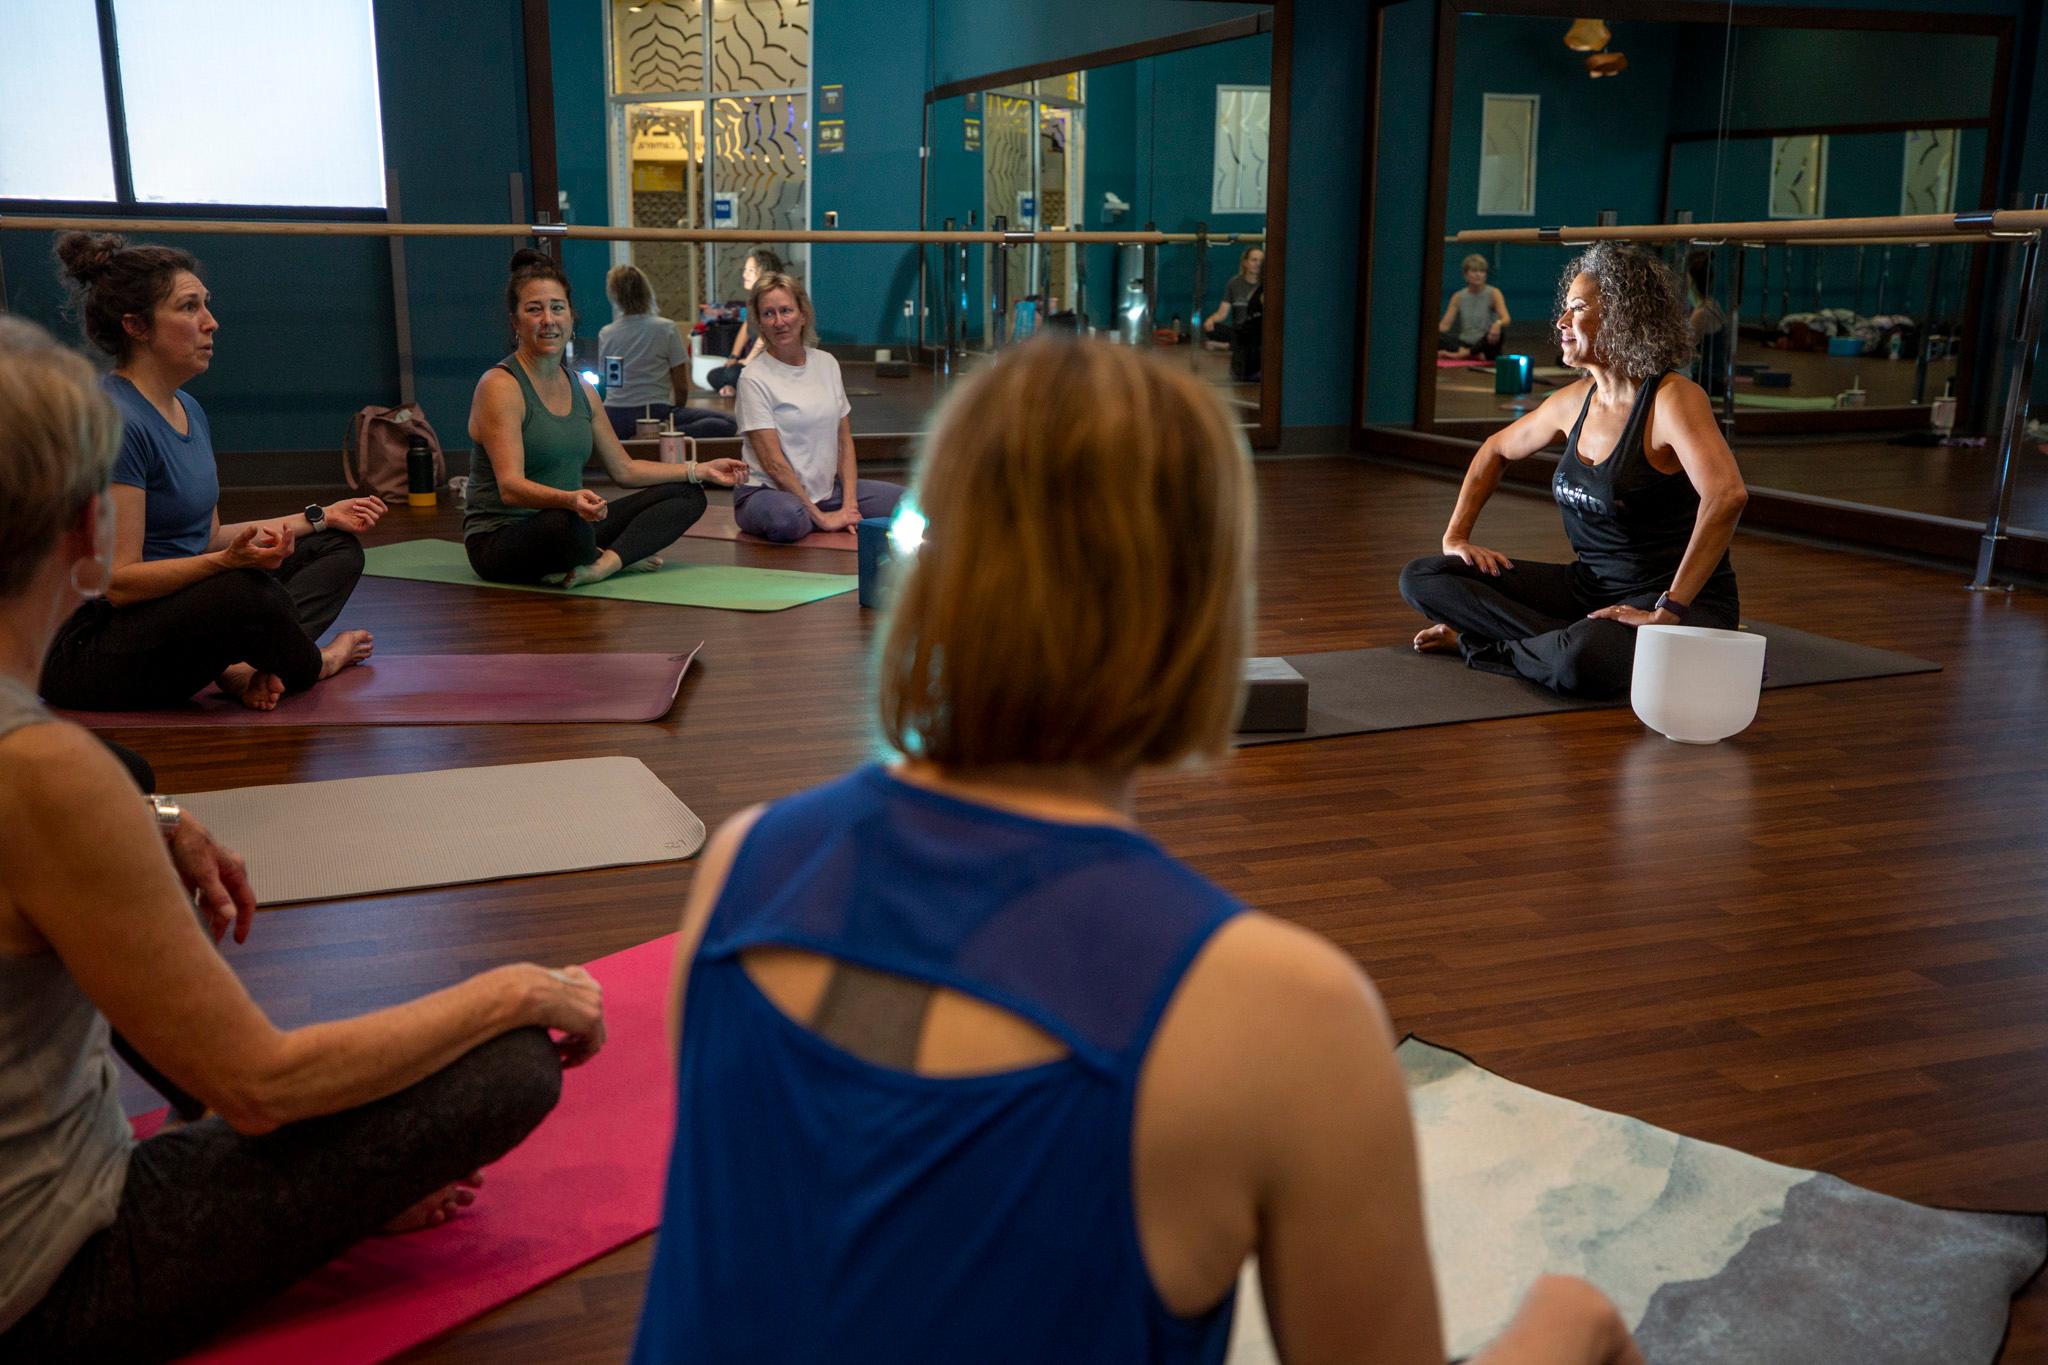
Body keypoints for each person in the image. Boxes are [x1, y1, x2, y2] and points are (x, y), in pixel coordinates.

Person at [629, 337, 1642, 1365]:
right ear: (1196, 615)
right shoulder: (1282, 1015)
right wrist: (1574, 1326)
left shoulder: (742, 869)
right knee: (1572, 1320)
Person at [0, 315, 608, 1361]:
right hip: (52, 1285)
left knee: (135, 786)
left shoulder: (55, 778)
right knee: (512, 1067)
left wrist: (143, 818)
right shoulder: (45, 775)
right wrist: (520, 988)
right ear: (85, 530)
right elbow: (263, 1087)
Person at [38, 233, 384, 713]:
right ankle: (312, 663)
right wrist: (228, 566)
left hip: (170, 617)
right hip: (88, 655)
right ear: (137, 326)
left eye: (206, 305)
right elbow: (117, 583)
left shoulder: (189, 409)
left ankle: (243, 667)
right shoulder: (114, 421)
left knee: (333, 548)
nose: (211, 323)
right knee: (245, 591)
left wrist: (320, 517)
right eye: (189, 307)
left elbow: (210, 536)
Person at [1401, 243, 1749, 699]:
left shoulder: (1671, 398)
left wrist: (1670, 608)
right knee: (1426, 577)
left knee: (1581, 660)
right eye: (1564, 309)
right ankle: (1551, 640)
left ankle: (1487, 642)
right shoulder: (1573, 401)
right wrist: (1456, 538)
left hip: (1675, 601)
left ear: (1625, 318)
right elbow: (1494, 451)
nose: (1561, 322)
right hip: (1590, 590)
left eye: (1578, 308)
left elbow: (1727, 495)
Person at [465, 250, 748, 588]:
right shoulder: (500, 386)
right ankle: (609, 554)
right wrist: (570, 499)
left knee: (688, 495)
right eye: (533, 309)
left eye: (557, 307)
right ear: (515, 321)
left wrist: (699, 469)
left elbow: (624, 470)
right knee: (564, 525)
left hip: (572, 519)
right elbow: (510, 489)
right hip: (502, 540)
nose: (548, 320)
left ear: (571, 316)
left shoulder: (582, 389)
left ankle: (604, 565)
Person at [731, 271, 904, 543]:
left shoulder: (827, 363)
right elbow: (774, 464)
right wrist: (822, 518)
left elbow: (844, 441)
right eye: (769, 314)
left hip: (827, 493)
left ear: (803, 315)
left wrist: (850, 507)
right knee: (786, 521)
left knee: (905, 503)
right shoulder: (753, 377)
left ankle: (817, 516)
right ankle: (813, 517)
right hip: (768, 492)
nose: (779, 322)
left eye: (786, 311)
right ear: (760, 323)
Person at [596, 264, 736, 442]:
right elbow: (681, 387)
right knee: (728, 423)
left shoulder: (606, 333)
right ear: (647, 291)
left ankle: (642, 437)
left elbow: (609, 383)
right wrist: (673, 415)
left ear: (614, 296)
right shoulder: (666, 328)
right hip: (655, 412)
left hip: (615, 416)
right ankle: (662, 435)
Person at [705, 248, 785, 396]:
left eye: (751, 270)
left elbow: (765, 336)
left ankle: (736, 386)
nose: (744, 274)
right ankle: (736, 387)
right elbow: (746, 328)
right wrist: (734, 357)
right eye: (745, 269)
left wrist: (748, 361)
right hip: (757, 366)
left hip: (774, 366)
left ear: (764, 273)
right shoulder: (754, 300)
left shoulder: (773, 299)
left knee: (732, 375)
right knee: (713, 375)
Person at [1438, 252, 1512, 360]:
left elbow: (1506, 319)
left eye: (1482, 271)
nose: (1478, 275)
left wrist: (1497, 324)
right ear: (1465, 275)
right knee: (1435, 336)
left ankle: (1463, 354)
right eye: (1474, 271)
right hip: (1465, 343)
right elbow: (1444, 326)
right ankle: (1472, 354)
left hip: (1485, 343)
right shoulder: (1458, 296)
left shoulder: (1494, 293)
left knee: (1500, 334)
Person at [1202, 245, 1264, 350]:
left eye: (1261, 261)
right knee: (1212, 329)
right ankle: (1236, 345)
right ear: (1245, 263)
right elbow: (1222, 313)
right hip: (1239, 330)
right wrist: (1211, 320)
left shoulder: (1267, 284)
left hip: (1257, 329)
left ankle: (1227, 346)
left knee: (1258, 336)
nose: (1258, 264)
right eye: (1254, 260)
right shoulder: (1234, 283)